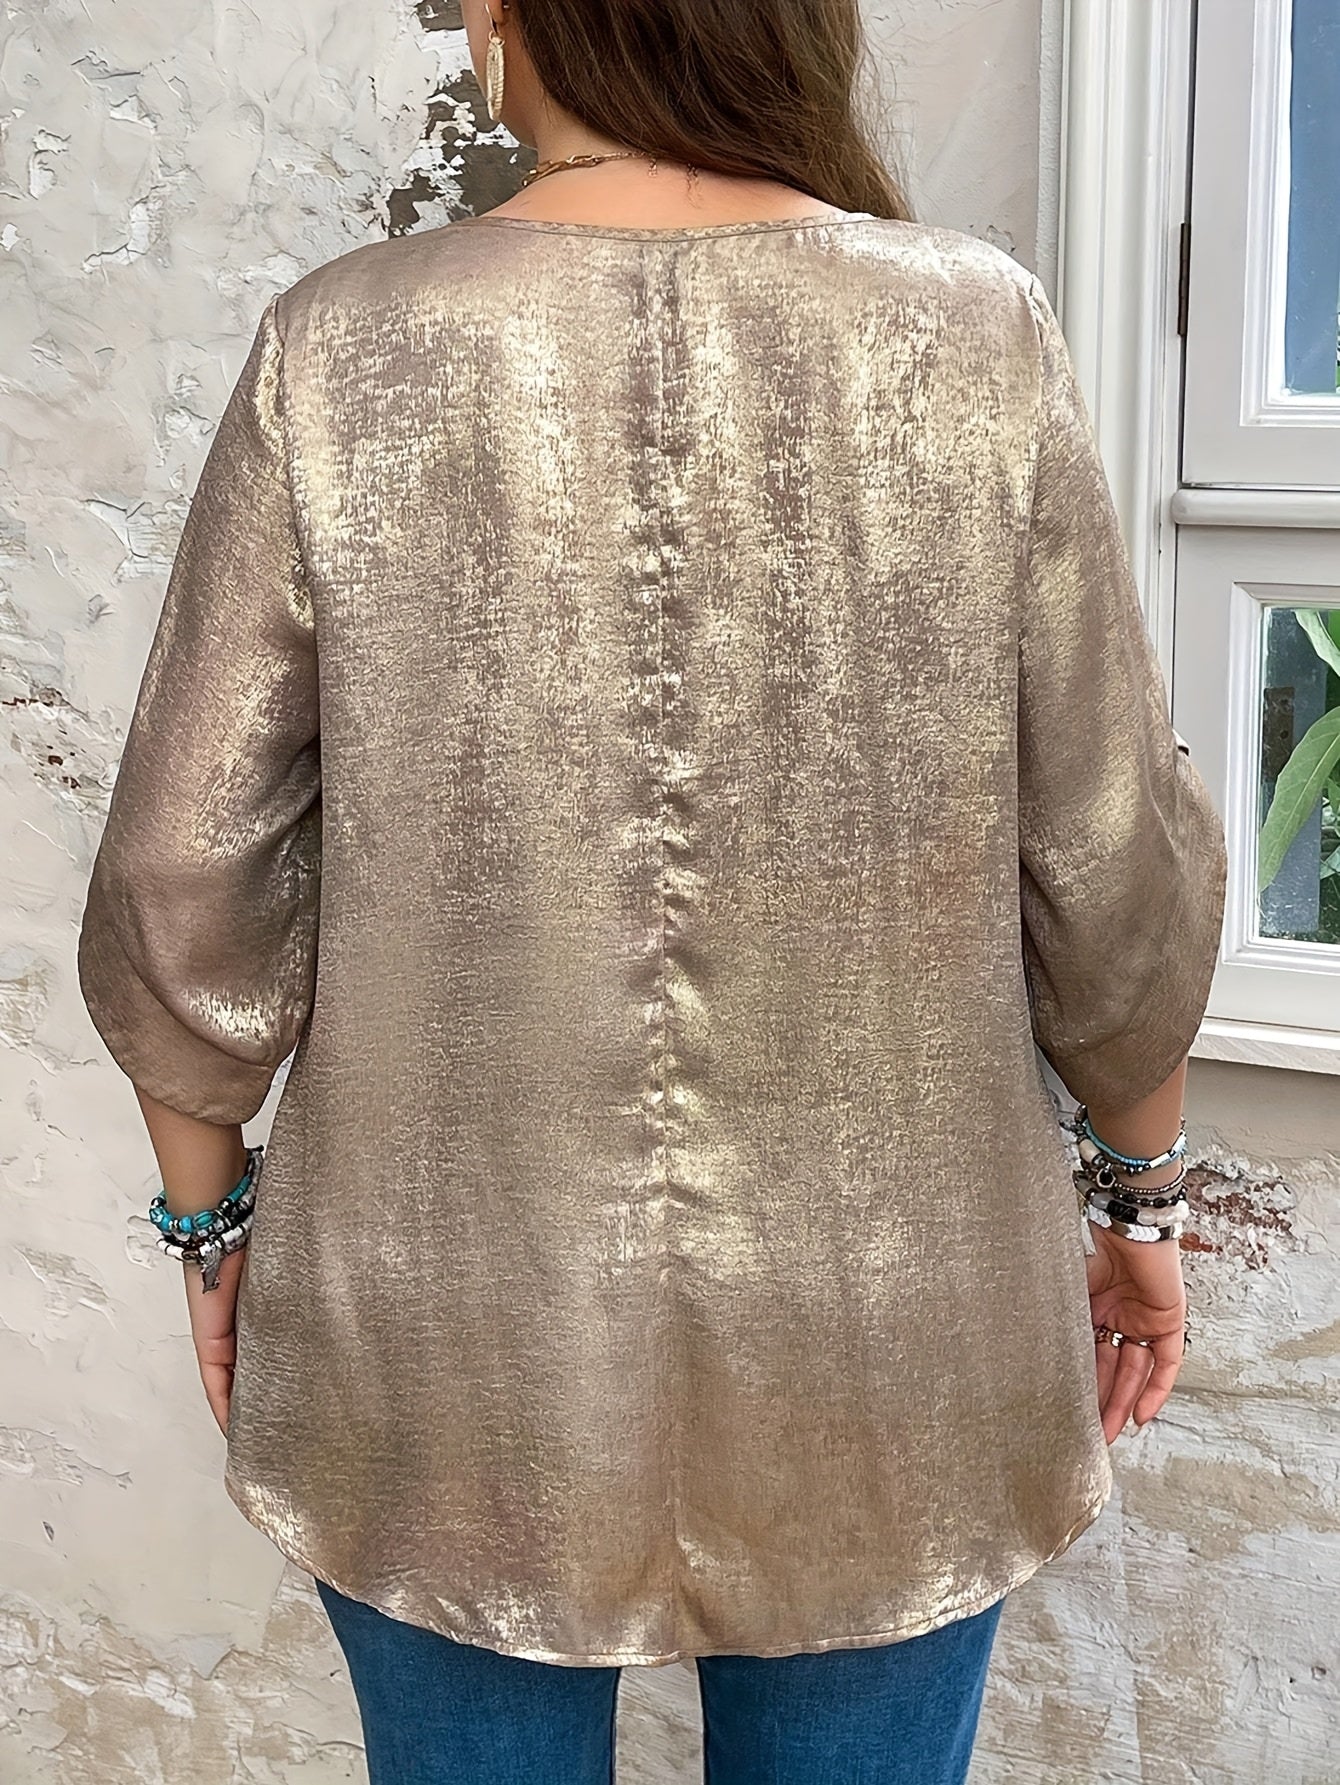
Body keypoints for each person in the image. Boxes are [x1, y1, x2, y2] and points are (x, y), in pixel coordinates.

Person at [75, 0, 1228, 1779]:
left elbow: (182, 865)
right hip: (897, 1339)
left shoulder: (344, 346)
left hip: (446, 1336)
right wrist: (1140, 1198)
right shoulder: (973, 330)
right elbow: (1111, 865)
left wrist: (211, 1219)